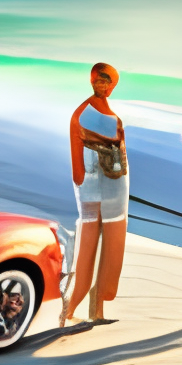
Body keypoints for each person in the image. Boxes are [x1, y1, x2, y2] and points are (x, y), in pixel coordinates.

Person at [64, 63, 129, 324]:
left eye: (110, 81)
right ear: (93, 81)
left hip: (112, 184)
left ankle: (96, 310)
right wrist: (80, 181)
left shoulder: (90, 113)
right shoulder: (83, 113)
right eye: (102, 81)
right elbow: (77, 159)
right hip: (95, 184)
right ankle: (69, 308)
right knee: (91, 245)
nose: (106, 86)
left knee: (110, 246)